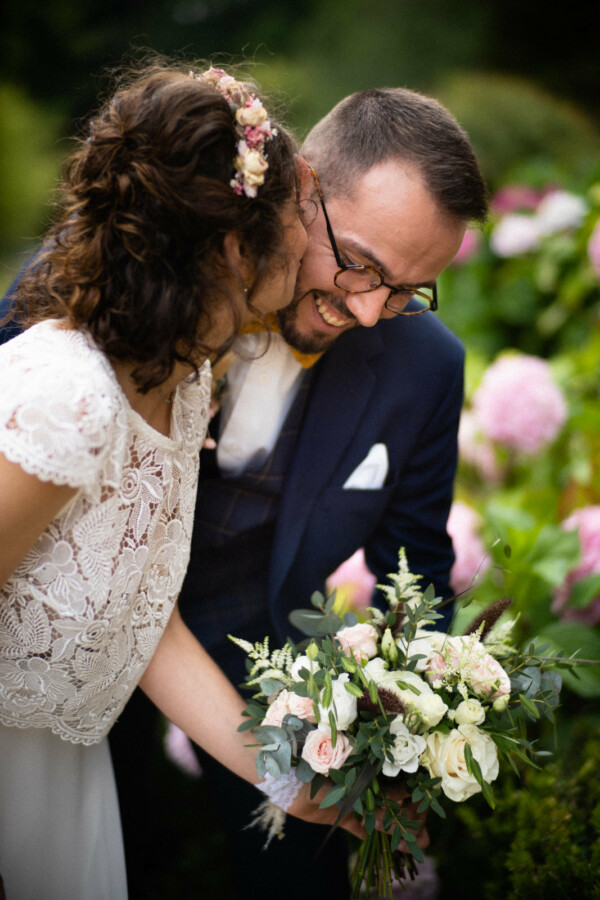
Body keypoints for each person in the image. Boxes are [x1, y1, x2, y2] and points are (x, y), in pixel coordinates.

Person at [0, 85, 487, 898]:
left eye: (406, 291)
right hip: (46, 661)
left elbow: (416, 572)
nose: (371, 311)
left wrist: (409, 728)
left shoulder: (418, 365)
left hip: (234, 637)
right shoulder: (86, 318)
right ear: (298, 192)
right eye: (360, 263)